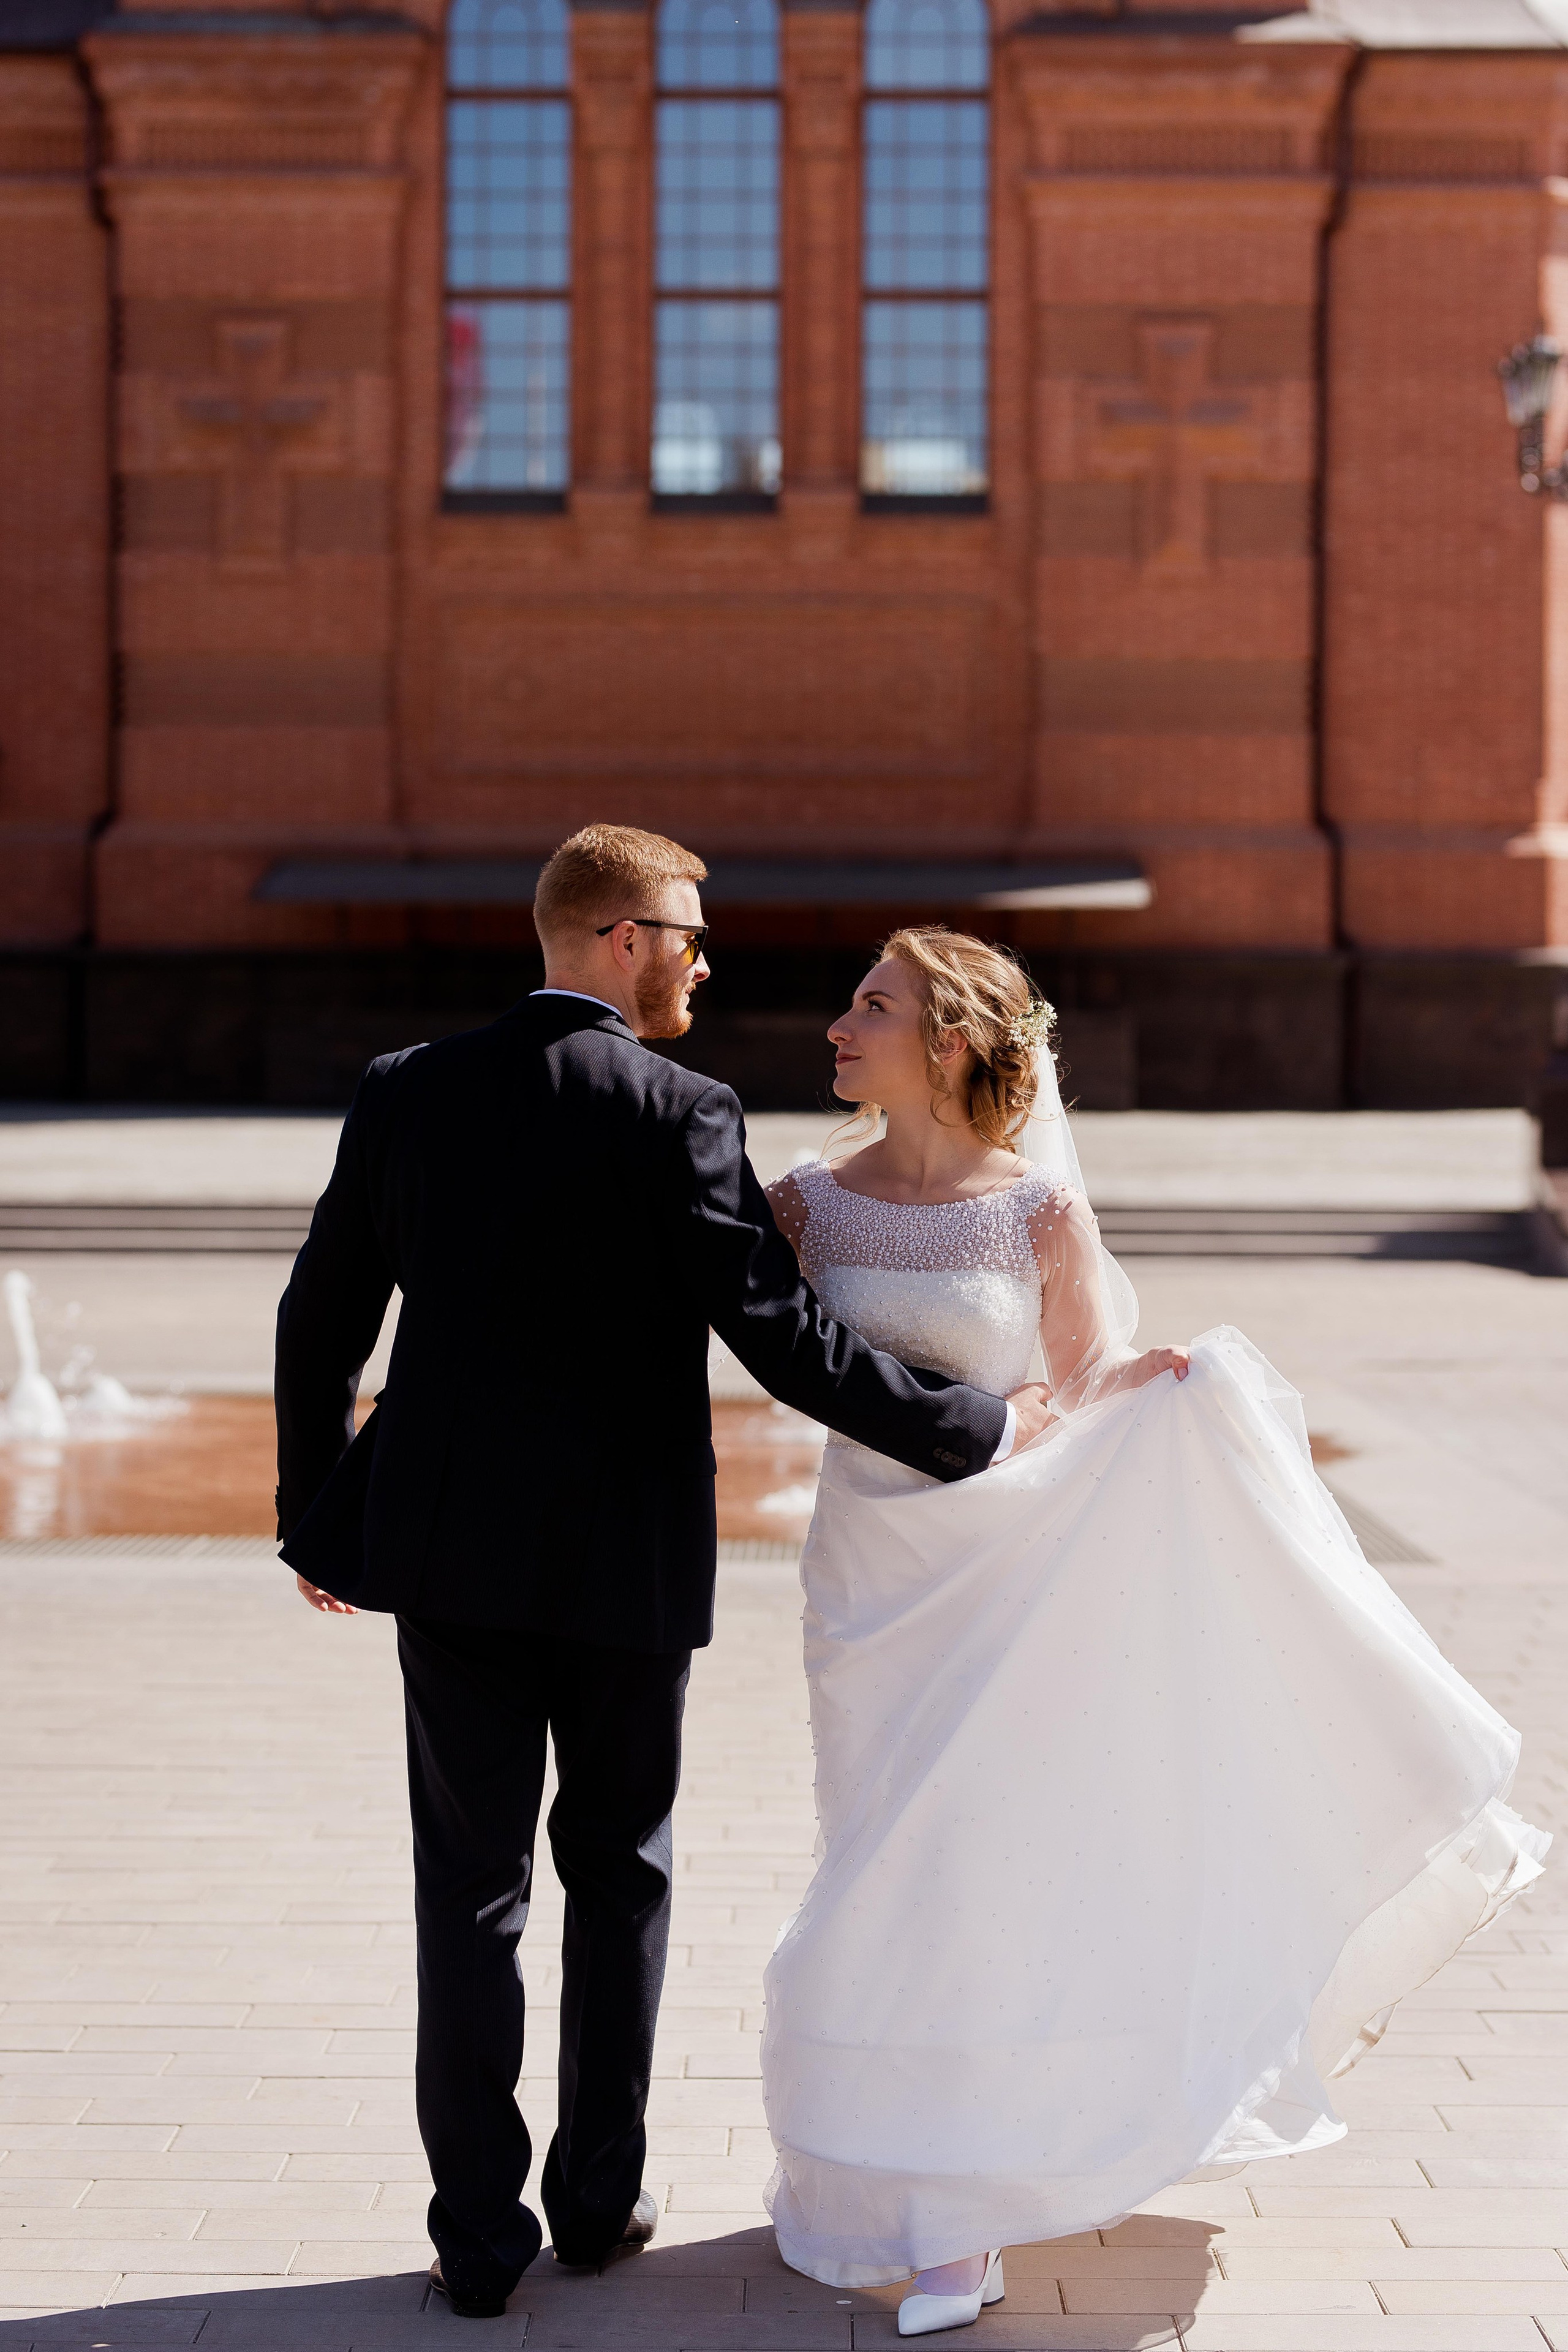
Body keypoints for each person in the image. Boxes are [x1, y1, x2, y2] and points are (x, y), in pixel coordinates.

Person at [273, 829, 1054, 2321]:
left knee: (470, 1891)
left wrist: (322, 1517)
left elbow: (321, 1319)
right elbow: (781, 1337)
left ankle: (478, 2241)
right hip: (625, 1561)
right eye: (688, 936)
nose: (703, 960)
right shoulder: (681, 1108)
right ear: (622, 939)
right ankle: (597, 2201)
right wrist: (974, 1427)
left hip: (445, 1555)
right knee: (618, 1872)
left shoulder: (406, 1090)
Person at [758, 925, 1549, 2337]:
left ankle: (967, 2213)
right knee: (874, 1857)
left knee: (972, 1874)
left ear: (944, 1041)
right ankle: (896, 2169)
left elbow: (1074, 1384)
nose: (834, 1025)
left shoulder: (1034, 1215)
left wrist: (1166, 1385)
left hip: (996, 1578)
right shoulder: (802, 1203)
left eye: (866, 1006)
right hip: (867, 1578)